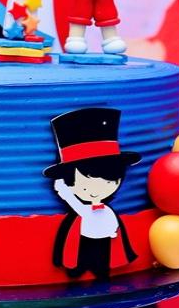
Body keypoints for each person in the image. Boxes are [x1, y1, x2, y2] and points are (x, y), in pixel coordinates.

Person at [43, 107, 140, 278]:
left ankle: (99, 269)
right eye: (85, 187)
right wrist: (62, 188)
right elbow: (71, 200)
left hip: (105, 240)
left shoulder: (104, 211)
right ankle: (79, 268)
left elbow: (113, 222)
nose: (96, 191)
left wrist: (113, 230)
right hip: (85, 237)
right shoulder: (83, 210)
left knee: (102, 260)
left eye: (109, 182)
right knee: (82, 255)